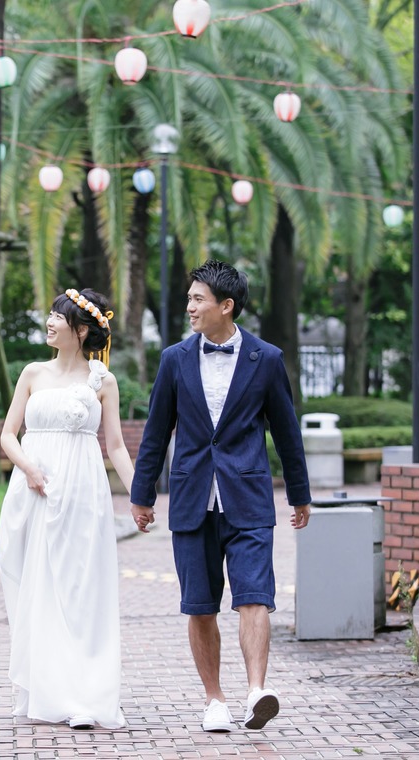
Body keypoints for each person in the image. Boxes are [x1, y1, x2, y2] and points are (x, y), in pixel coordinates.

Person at [129, 259, 311, 733]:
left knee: (255, 597)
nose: (189, 307)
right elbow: (156, 432)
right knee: (200, 604)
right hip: (192, 498)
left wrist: (299, 494)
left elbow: (286, 432)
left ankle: (256, 692)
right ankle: (214, 700)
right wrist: (142, 495)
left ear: (226, 306)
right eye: (189, 298)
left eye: (198, 299)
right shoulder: (174, 359)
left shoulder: (266, 359)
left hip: (248, 498)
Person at [0, 287, 135, 731]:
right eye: (52, 315)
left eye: (59, 316)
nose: (50, 321)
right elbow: (8, 434)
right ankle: (48, 689)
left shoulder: (102, 381)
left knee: (80, 588)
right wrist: (29, 469)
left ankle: (85, 696)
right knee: (39, 585)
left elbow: (115, 446)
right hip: (34, 491)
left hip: (83, 492)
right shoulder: (33, 373)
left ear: (81, 330)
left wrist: (139, 496)